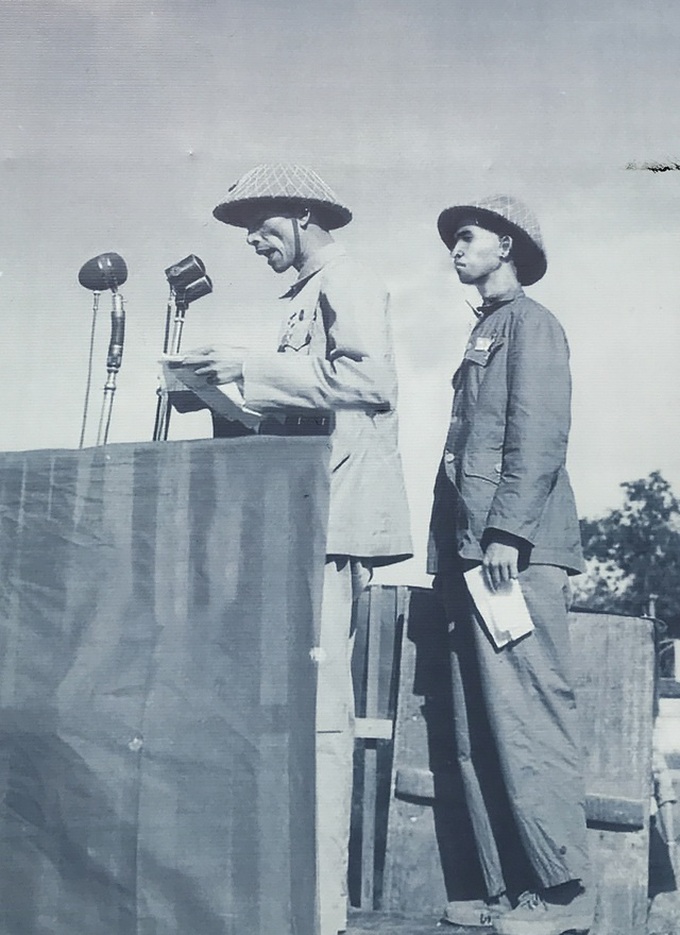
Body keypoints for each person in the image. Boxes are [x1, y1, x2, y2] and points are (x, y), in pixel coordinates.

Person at [178, 164, 412, 935]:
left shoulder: (350, 277)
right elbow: (305, 393)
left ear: (305, 214)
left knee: (321, 720)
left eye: (262, 222)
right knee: (297, 716)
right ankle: (295, 900)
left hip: (332, 518)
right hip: (301, 516)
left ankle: (319, 912)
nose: (251, 239)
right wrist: (221, 394)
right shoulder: (303, 297)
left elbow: (370, 382)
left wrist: (246, 365)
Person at [428, 195, 593, 935]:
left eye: (466, 237)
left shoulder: (533, 323)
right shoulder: (488, 329)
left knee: (529, 718)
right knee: (480, 725)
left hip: (511, 554)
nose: (454, 249)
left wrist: (508, 533)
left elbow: (540, 433)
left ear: (506, 242)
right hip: (472, 554)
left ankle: (564, 898)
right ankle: (511, 893)